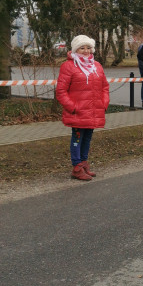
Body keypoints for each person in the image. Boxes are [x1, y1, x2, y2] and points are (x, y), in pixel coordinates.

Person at [56, 35, 110, 181]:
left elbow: (104, 86)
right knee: (77, 138)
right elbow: (61, 91)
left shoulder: (96, 65)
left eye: (88, 47)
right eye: (82, 48)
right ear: (75, 49)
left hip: (93, 111)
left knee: (87, 138)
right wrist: (73, 107)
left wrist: (104, 103)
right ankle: (76, 167)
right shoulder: (68, 66)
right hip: (78, 112)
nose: (86, 51)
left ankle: (84, 164)